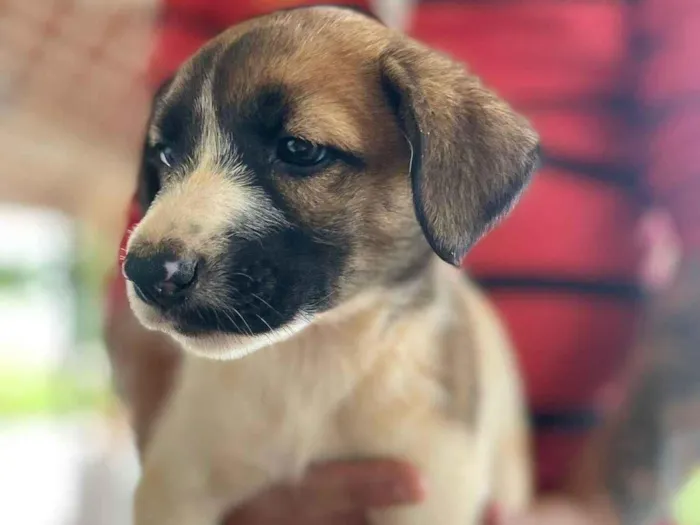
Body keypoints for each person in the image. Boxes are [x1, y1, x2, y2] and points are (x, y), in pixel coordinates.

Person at [104, 1, 700, 523]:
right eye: (167, 159)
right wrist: (206, 494)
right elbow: (142, 245)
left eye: (299, 149)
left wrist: (600, 511)